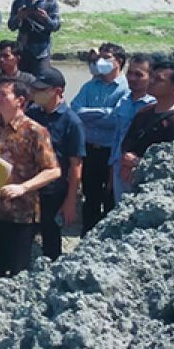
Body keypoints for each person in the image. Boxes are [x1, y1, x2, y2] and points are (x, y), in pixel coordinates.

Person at [0, 78, 60, 287]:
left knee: (17, 276)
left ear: (20, 100)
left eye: (3, 95)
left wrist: (23, 187)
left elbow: (53, 170)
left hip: (20, 215)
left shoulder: (35, 131)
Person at [70, 43, 129, 234]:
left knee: (111, 197)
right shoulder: (90, 86)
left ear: (118, 61)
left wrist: (91, 116)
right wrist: (103, 113)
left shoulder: (126, 88)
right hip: (89, 150)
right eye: (99, 58)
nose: (100, 62)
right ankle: (88, 236)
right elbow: (75, 109)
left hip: (111, 151)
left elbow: (116, 118)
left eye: (106, 58)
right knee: (90, 196)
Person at [27, 67, 84, 259]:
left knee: (50, 235)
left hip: (53, 190)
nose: (35, 93)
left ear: (57, 91)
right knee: (23, 235)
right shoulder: (33, 113)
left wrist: (70, 201)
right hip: (29, 187)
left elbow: (75, 165)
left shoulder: (71, 122)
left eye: (41, 90)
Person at [118, 62, 174, 191]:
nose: (151, 81)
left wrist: (138, 163)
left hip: (158, 188)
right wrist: (126, 162)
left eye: (159, 80)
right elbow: (128, 142)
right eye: (152, 77)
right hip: (131, 182)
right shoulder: (144, 112)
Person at [107, 53, 156, 205]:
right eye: (130, 73)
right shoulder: (123, 101)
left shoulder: (155, 106)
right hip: (118, 169)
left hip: (140, 171)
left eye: (139, 74)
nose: (132, 78)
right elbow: (117, 137)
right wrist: (112, 169)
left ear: (151, 77)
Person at [7, 0, 62, 75]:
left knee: (42, 81)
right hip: (23, 49)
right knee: (22, 83)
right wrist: (19, 17)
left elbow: (56, 26)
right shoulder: (19, 2)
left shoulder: (50, 2)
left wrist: (46, 19)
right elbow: (11, 26)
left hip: (42, 51)